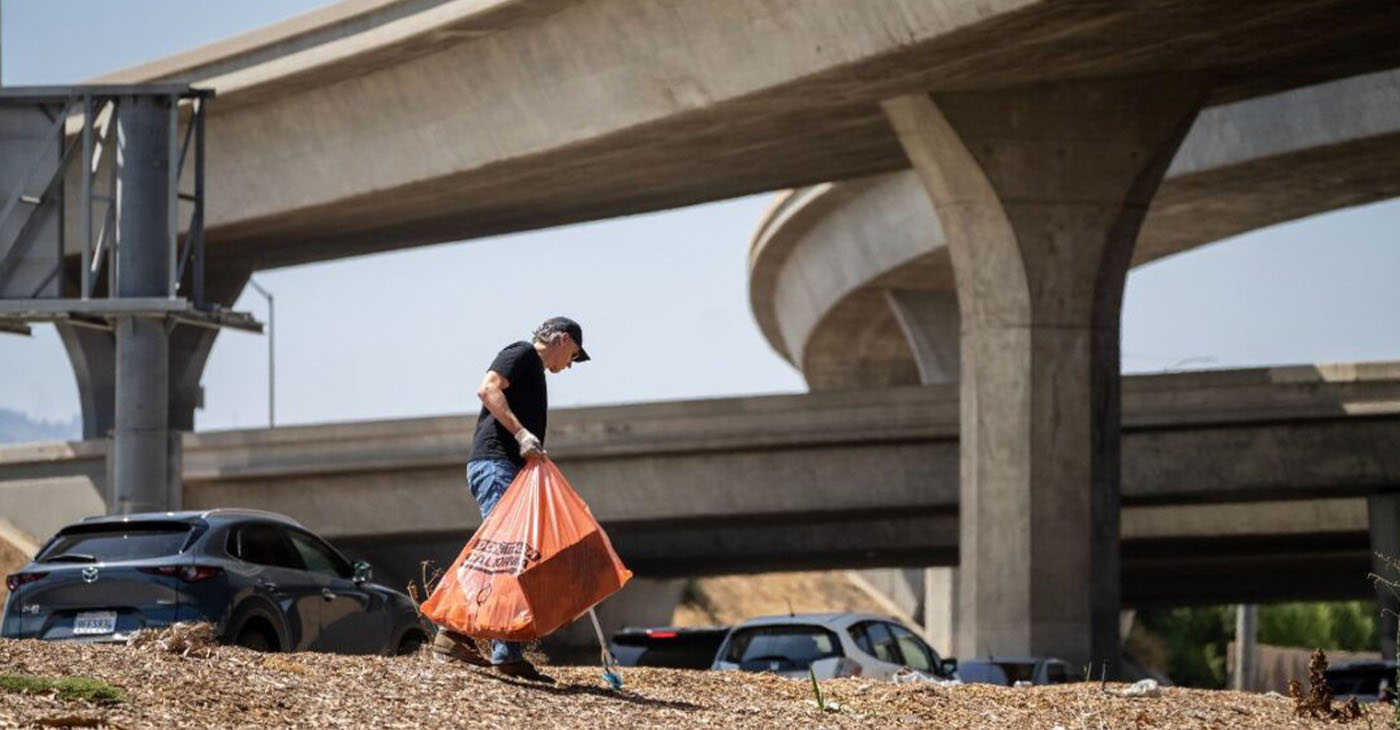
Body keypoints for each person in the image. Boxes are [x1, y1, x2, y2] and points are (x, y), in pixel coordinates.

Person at [431, 316, 590, 682]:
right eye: (573, 356)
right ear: (563, 339)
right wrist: (521, 435)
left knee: (507, 556)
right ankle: (460, 636)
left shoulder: (533, 370)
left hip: (506, 468)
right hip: (494, 464)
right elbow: (488, 390)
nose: (568, 366)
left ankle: (492, 648)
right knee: (506, 556)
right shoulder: (520, 353)